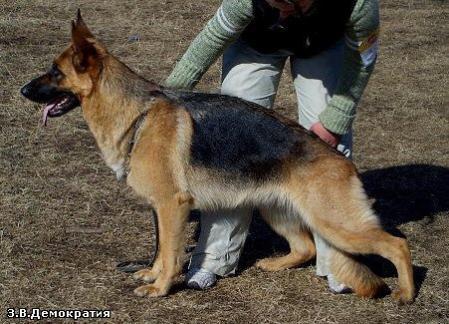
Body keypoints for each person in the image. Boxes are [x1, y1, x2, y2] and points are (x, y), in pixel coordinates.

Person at [165, 0, 380, 291]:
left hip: (323, 45)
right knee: (232, 140)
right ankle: (214, 257)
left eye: (288, 5)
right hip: (255, 45)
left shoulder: (357, 4)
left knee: (328, 145)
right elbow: (211, 39)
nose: (281, 15)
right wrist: (167, 98)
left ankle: (339, 260)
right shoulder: (246, 1)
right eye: (273, 2)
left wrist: (336, 117)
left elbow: (363, 57)